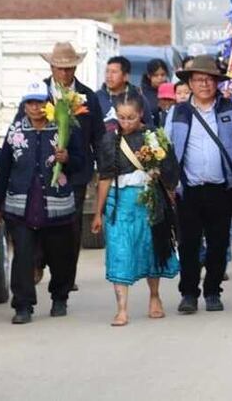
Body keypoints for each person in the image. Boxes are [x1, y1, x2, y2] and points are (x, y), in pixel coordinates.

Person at [0, 82, 85, 324]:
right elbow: (3, 170)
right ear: (24, 105)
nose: (36, 107)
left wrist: (68, 158)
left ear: (49, 104)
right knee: (23, 255)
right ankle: (23, 305)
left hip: (56, 205)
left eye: (40, 102)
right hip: (20, 205)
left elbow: (82, 164)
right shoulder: (15, 132)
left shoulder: (64, 128)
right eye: (30, 103)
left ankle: (59, 297)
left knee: (59, 254)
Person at [166, 56, 232, 314]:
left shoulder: (230, 109)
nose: (204, 84)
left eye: (210, 79)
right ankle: (188, 293)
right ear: (189, 83)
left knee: (218, 244)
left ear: (217, 83)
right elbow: (164, 146)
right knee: (188, 245)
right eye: (199, 79)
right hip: (188, 190)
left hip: (221, 189)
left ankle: (213, 291)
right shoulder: (177, 112)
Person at [91, 97, 180, 326]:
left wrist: (162, 176)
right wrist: (97, 213)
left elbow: (170, 170)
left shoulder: (154, 136)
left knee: (151, 247)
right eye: (121, 117)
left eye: (131, 117)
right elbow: (104, 178)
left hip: (149, 199)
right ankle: (121, 308)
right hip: (119, 201)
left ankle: (154, 296)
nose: (126, 122)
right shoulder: (110, 140)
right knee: (120, 251)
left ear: (141, 114)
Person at [37, 42, 104, 292]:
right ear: (51, 67)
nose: (64, 73)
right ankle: (39, 261)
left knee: (71, 227)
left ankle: (65, 278)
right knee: (41, 221)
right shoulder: (38, 94)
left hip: (77, 172)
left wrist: (101, 172)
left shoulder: (88, 96)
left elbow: (98, 136)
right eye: (59, 68)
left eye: (68, 68)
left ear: (75, 67)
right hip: (43, 172)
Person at [97, 56, 153, 132]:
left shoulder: (138, 98)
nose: (109, 76)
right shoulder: (97, 98)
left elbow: (149, 128)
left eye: (114, 72)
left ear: (125, 76)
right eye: (107, 71)